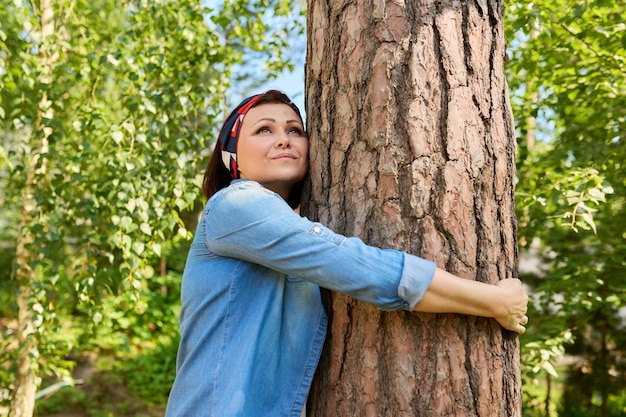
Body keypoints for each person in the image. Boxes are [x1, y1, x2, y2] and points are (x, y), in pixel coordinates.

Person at [164, 90, 529, 417]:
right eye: (264, 130)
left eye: (295, 130)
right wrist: (493, 301)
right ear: (233, 158)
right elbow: (356, 266)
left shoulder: (283, 225)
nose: (284, 140)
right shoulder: (235, 204)